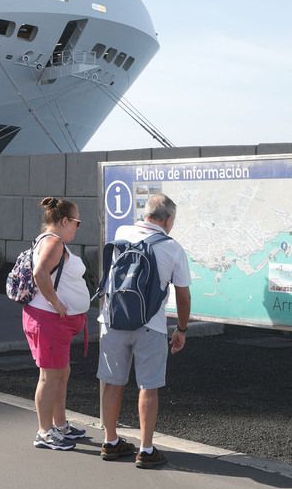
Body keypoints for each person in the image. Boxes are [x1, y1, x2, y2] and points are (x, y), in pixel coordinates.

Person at [98, 193, 192, 468]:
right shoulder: (172, 248)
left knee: (113, 381)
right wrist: (182, 329)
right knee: (148, 386)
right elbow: (183, 296)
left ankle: (110, 441)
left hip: (113, 319)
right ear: (169, 219)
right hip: (149, 324)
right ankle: (146, 449)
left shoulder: (123, 232)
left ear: (146, 214)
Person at [23, 197, 91, 451]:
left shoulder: (52, 241)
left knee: (60, 373)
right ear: (65, 221)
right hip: (48, 320)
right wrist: (56, 304)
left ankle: (60, 425)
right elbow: (40, 273)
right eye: (77, 222)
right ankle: (44, 431)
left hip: (53, 322)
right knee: (49, 377)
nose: (77, 227)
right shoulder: (53, 242)